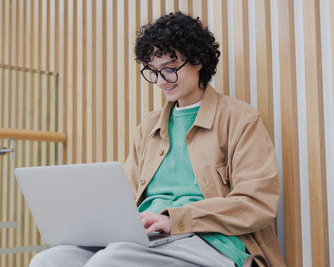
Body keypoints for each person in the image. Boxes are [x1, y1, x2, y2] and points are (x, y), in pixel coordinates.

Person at [29, 12, 286, 267]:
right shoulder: (149, 127)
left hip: (210, 240)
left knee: (111, 261)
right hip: (147, 237)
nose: (161, 81)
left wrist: (174, 219)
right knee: (49, 260)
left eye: (170, 70)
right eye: (153, 71)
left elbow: (256, 204)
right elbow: (125, 197)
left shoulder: (240, 120)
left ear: (198, 61)